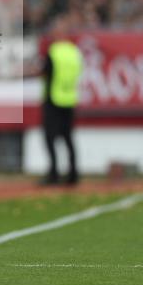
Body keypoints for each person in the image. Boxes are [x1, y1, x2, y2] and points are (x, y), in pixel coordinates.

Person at [40, 15, 84, 185]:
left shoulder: (54, 52)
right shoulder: (74, 52)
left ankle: (54, 173)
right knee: (68, 139)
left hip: (53, 98)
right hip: (69, 98)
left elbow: (46, 72)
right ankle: (73, 173)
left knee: (50, 138)